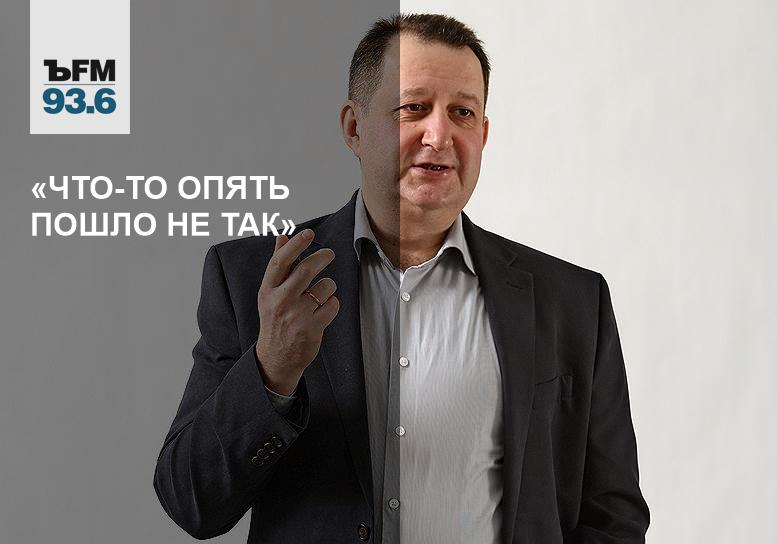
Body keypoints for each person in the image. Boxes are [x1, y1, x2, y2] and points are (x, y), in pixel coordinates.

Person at [154, 13, 649, 543]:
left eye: (462, 113)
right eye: (414, 107)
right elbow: (192, 502)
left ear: (483, 135)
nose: (440, 134)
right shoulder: (255, 279)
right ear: (354, 127)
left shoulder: (571, 301)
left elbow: (613, 517)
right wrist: (271, 370)